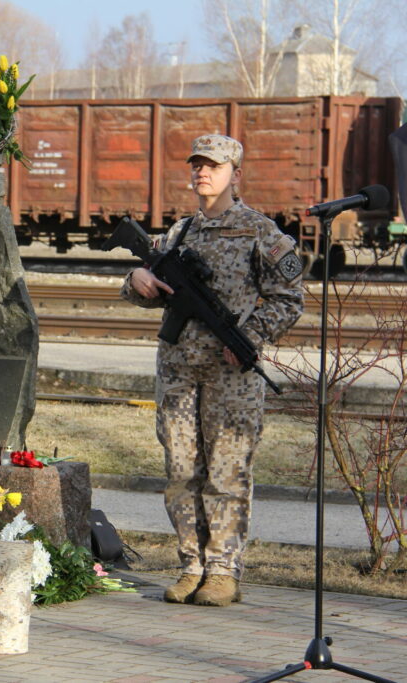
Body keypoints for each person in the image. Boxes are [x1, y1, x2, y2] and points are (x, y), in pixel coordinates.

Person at [120, 134, 303, 606]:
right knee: (182, 471)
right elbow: (141, 282)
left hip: (231, 376)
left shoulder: (260, 232)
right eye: (198, 165)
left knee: (226, 473)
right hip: (179, 370)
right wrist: (135, 279)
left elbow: (289, 299)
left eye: (214, 166)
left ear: (236, 175)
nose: (203, 172)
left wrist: (252, 338)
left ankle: (223, 571)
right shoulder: (180, 233)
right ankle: (191, 567)